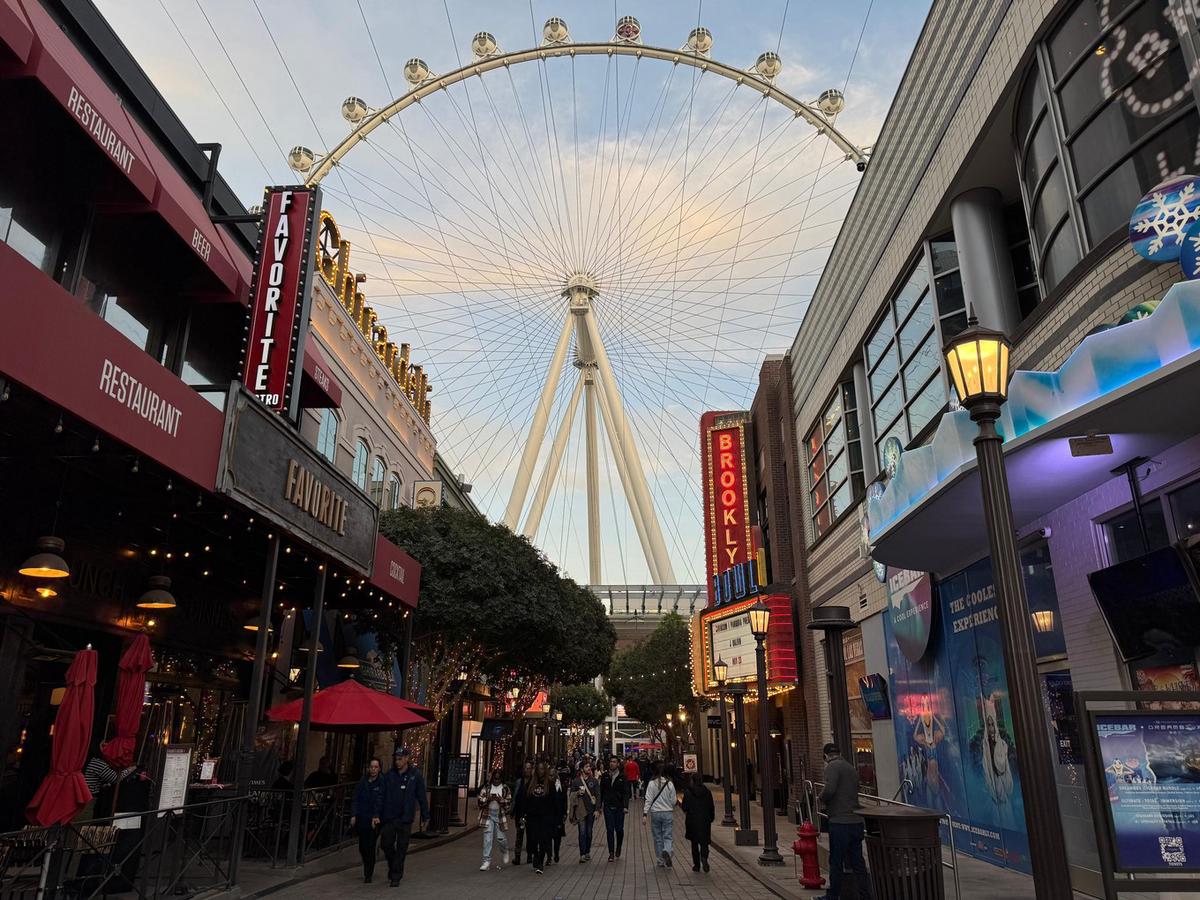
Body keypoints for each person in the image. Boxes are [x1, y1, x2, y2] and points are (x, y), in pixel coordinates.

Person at [820, 743, 872, 900]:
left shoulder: (832, 767)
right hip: (855, 821)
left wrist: (820, 797)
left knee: (836, 860)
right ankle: (865, 894)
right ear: (840, 752)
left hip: (840, 821)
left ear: (826, 756)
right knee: (857, 861)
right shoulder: (851, 768)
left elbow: (829, 789)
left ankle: (833, 895)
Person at [379, 747, 429, 887]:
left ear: (407, 759)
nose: (397, 762)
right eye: (396, 759)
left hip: (405, 818)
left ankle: (396, 876)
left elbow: (421, 796)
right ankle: (393, 864)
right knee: (386, 844)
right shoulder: (390, 775)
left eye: (400, 759)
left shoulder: (415, 775)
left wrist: (425, 815)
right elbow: (381, 795)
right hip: (390, 816)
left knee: (402, 847)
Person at [349, 758, 383, 883]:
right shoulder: (363, 782)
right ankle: (367, 862)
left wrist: (376, 815)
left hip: (374, 820)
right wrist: (353, 814)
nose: (373, 769)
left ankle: (368, 873)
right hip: (362, 817)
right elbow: (355, 798)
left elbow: (381, 800)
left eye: (375, 767)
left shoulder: (382, 783)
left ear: (379, 769)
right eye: (371, 767)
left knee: (370, 845)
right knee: (362, 847)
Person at [522, 760, 557, 875]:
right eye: (538, 769)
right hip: (532, 817)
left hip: (545, 817)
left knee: (543, 840)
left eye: (542, 769)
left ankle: (540, 861)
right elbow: (525, 800)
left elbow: (553, 801)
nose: (540, 771)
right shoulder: (530, 784)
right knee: (532, 840)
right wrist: (524, 814)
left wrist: (554, 817)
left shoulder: (550, 784)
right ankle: (535, 856)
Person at [643, 761, 676, 867]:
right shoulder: (670, 783)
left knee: (657, 837)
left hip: (655, 813)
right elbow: (674, 800)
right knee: (668, 835)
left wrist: (645, 813)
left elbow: (648, 799)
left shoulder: (651, 783)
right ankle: (667, 850)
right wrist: (669, 804)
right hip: (667, 812)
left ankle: (660, 860)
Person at [477, 768, 511, 871]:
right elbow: (480, 800)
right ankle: (486, 861)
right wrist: (488, 799)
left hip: (499, 816)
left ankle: (505, 851)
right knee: (487, 839)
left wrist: (501, 800)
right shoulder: (487, 787)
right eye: (495, 779)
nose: (496, 781)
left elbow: (508, 803)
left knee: (501, 838)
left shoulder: (505, 788)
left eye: (498, 779)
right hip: (488, 815)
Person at [681, 773, 714, 873]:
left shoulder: (688, 792)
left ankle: (696, 865)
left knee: (694, 843)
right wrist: (711, 817)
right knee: (704, 842)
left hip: (692, 820)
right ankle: (704, 856)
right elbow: (711, 806)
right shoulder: (707, 792)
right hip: (704, 820)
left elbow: (685, 807)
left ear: (692, 781)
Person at [569, 761, 599, 862]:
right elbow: (571, 795)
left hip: (591, 810)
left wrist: (597, 810)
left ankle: (587, 852)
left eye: (589, 766)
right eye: (586, 767)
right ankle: (582, 854)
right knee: (582, 832)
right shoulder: (576, 781)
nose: (589, 768)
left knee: (589, 832)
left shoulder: (594, 781)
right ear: (582, 769)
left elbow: (598, 796)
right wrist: (577, 792)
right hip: (580, 811)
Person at [599, 755, 627, 861]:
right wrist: (599, 806)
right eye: (611, 761)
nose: (612, 763)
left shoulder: (622, 776)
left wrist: (625, 806)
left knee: (619, 829)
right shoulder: (605, 776)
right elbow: (601, 792)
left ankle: (618, 846)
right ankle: (611, 852)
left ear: (618, 764)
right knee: (610, 829)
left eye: (614, 762)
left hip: (619, 807)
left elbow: (626, 792)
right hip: (608, 806)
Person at [511, 761, 533, 865]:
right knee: (519, 835)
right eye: (525, 768)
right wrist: (512, 810)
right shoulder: (519, 782)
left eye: (529, 768)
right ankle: (517, 857)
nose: (527, 770)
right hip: (520, 812)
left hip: (530, 813)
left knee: (530, 835)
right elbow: (515, 797)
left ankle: (529, 856)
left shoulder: (534, 782)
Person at [552, 764, 569, 863]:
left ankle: (556, 852)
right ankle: (549, 855)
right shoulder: (546, 786)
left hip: (558, 814)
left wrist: (564, 813)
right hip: (549, 814)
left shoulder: (561, 786)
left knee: (557, 836)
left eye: (553, 775)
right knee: (548, 835)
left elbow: (564, 800)